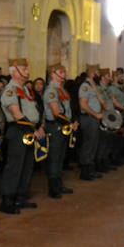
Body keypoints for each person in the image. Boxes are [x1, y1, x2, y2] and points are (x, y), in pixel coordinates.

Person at [0, 58, 44, 213]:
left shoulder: (25, 89)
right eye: (23, 69)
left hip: (29, 130)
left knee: (27, 165)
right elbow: (16, 114)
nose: (27, 72)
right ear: (14, 71)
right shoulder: (11, 90)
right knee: (15, 166)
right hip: (19, 130)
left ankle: (20, 197)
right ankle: (7, 200)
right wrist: (33, 129)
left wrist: (39, 127)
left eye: (26, 69)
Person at [42, 64, 76, 199]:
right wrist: (70, 123)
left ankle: (59, 184)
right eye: (61, 72)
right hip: (55, 126)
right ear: (53, 74)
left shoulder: (61, 89)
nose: (64, 74)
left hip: (63, 126)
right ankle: (53, 188)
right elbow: (56, 112)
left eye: (64, 71)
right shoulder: (51, 90)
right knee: (55, 157)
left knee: (61, 157)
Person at [77, 64, 104, 181]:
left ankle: (90, 169)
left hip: (94, 119)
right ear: (92, 73)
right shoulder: (85, 86)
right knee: (88, 145)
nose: (99, 75)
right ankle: (85, 172)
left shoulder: (94, 86)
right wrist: (96, 114)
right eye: (98, 73)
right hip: (89, 118)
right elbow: (83, 105)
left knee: (93, 144)